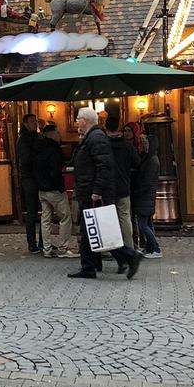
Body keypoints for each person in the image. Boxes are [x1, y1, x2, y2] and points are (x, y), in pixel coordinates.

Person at [69, 107, 116, 279]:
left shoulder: (96, 138)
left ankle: (128, 257)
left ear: (85, 121)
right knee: (90, 230)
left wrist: (97, 190)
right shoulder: (91, 137)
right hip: (87, 190)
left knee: (89, 230)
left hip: (91, 192)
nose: (76, 122)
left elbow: (103, 166)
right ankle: (92, 264)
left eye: (78, 119)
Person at [34, 124, 79, 259]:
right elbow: (55, 172)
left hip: (41, 189)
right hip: (54, 190)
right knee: (65, 217)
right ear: (52, 134)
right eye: (57, 133)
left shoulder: (36, 148)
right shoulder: (54, 150)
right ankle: (63, 248)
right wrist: (60, 186)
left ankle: (47, 249)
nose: (59, 135)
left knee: (45, 219)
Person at [104, 117, 142, 274]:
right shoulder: (127, 146)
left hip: (108, 189)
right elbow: (136, 163)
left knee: (109, 224)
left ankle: (119, 253)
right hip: (124, 187)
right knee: (125, 219)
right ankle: (130, 249)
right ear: (119, 127)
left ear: (105, 128)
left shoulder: (104, 145)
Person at [16, 114, 43, 254]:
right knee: (32, 212)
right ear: (25, 123)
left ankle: (42, 242)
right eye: (32, 121)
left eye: (36, 121)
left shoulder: (37, 137)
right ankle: (32, 243)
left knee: (44, 211)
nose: (35, 124)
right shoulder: (24, 140)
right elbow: (25, 159)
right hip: (29, 178)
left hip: (37, 178)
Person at [133, 134, 163, 259]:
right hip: (147, 196)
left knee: (142, 225)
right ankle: (151, 248)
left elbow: (147, 181)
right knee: (148, 223)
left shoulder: (151, 160)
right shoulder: (150, 158)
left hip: (145, 196)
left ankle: (155, 248)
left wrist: (137, 192)